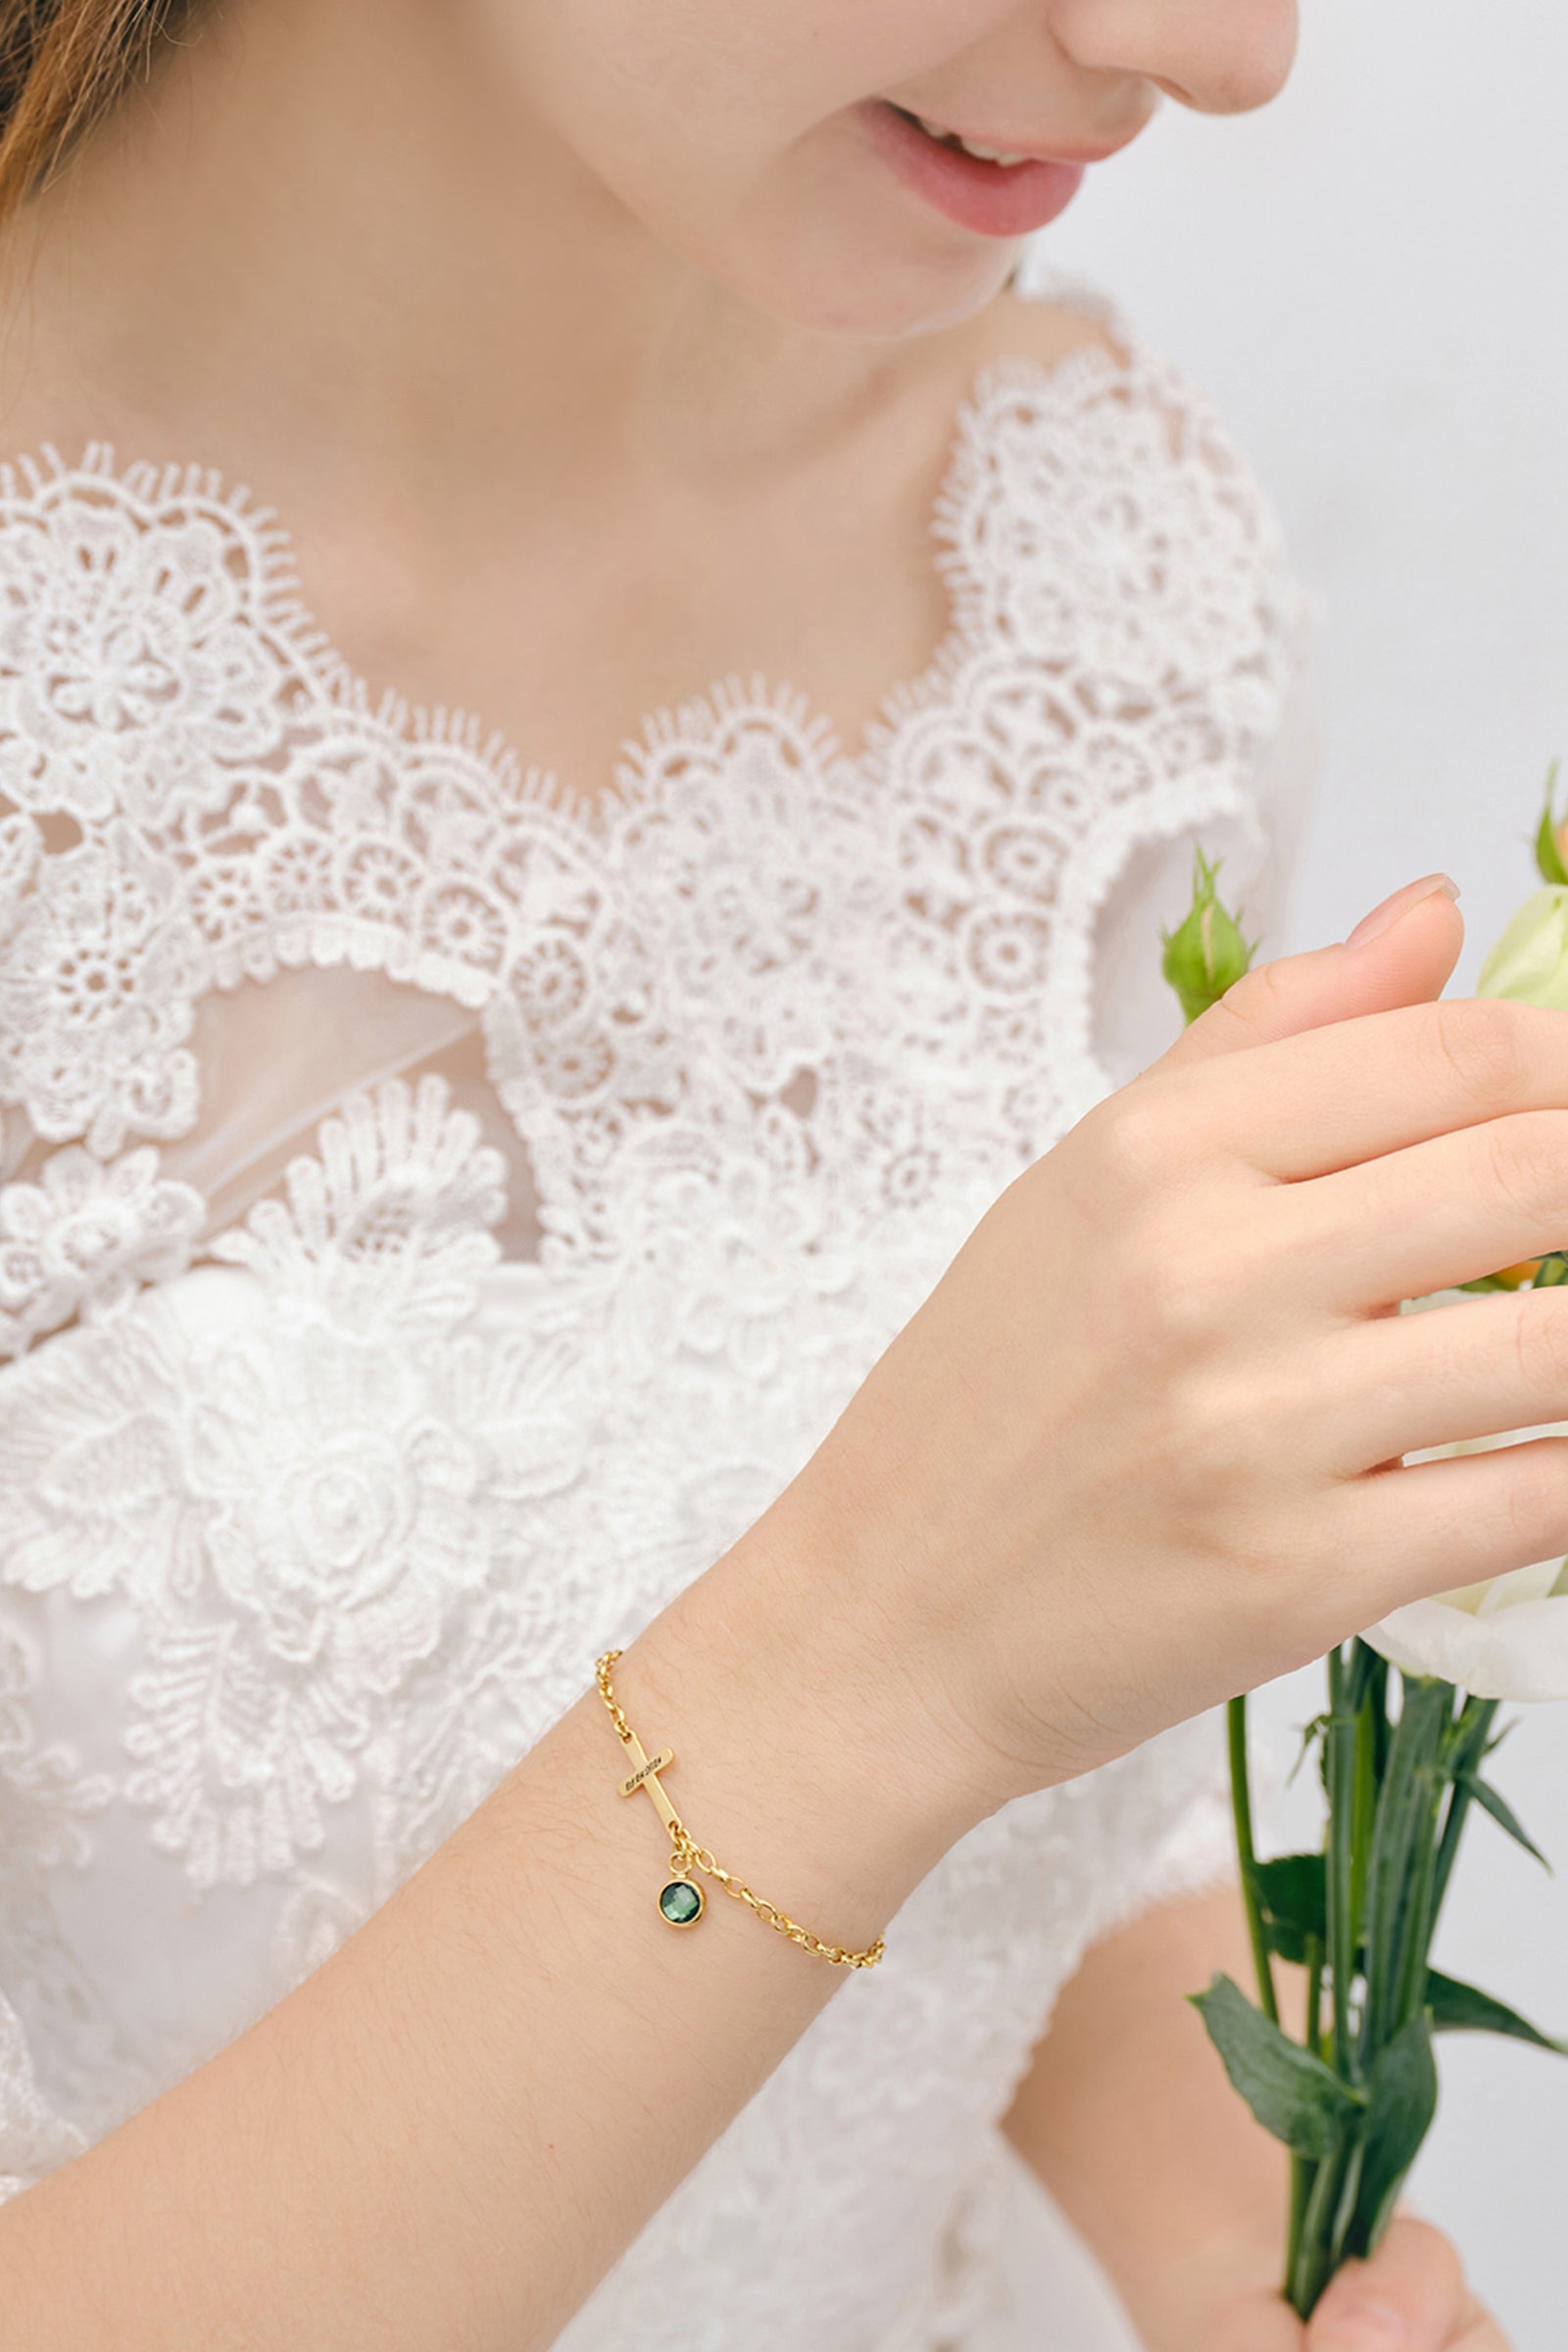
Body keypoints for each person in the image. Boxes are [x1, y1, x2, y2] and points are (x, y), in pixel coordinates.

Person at [0, 2, 1538, 2344]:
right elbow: (931, 1640)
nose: (1220, 51)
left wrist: (1225, 2220)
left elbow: (1087, 1832)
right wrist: (867, 1660)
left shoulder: (1084, 563)